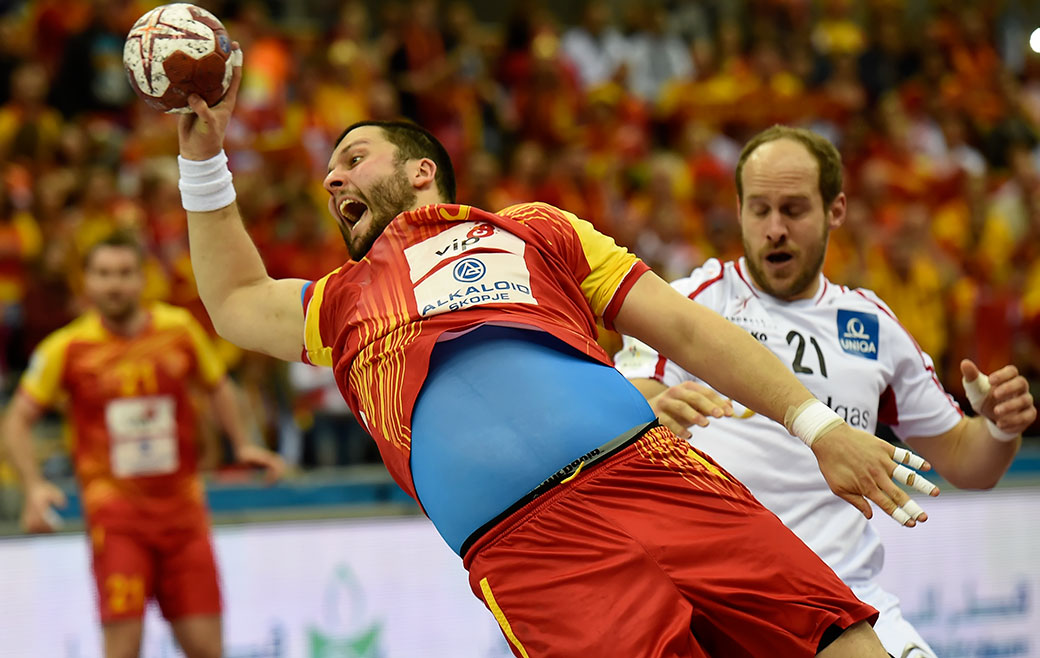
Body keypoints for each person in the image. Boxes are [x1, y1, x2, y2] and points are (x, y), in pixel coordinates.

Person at [170, 61, 936, 657]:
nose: (332, 176)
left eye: (354, 157)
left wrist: (817, 427)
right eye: (330, 170)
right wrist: (203, 158)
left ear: (420, 170)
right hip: (534, 553)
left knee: (841, 638)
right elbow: (235, 301)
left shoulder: (533, 229)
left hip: (655, 476)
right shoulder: (342, 300)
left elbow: (686, 327)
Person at [615, 125, 1036, 658]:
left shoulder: (872, 326)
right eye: (760, 210)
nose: (774, 229)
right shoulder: (688, 304)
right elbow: (630, 407)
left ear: (835, 210)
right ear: (738, 210)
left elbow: (966, 461)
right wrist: (649, 414)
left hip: (853, 600)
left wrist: (999, 426)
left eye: (793, 210)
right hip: (727, 606)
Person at [1, 231, 286, 658]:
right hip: (117, 521)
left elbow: (217, 386)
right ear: (86, 281)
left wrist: (242, 443)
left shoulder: (179, 330)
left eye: (124, 273)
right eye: (103, 274)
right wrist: (33, 486)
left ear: (143, 278)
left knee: (208, 649)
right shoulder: (68, 348)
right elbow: (17, 419)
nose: (114, 284)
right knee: (123, 649)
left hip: (184, 517)